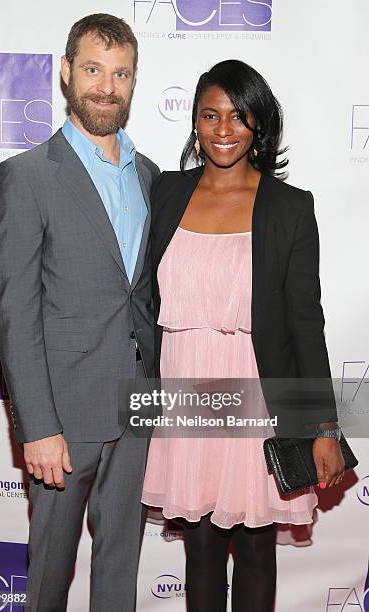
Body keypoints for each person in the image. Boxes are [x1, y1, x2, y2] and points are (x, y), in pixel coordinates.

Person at [141, 60, 345, 611]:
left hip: (256, 397)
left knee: (256, 551)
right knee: (200, 552)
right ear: (196, 122)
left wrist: (324, 424)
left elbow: (307, 320)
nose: (224, 129)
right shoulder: (165, 192)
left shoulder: (289, 206)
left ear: (260, 124)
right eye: (211, 115)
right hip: (186, 391)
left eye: (238, 115)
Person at [0, 13, 159, 612]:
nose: (107, 86)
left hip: (138, 407)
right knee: (48, 579)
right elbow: (14, 312)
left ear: (135, 82)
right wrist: (36, 426)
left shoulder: (151, 178)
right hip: (61, 416)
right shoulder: (27, 176)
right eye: (93, 69)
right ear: (66, 73)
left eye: (121, 74)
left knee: (121, 569)